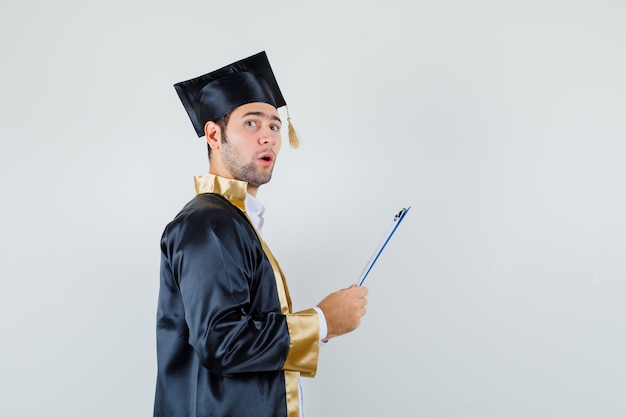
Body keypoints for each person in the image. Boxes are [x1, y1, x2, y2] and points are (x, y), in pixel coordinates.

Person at [154, 51, 369, 417]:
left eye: (274, 125)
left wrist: (318, 323)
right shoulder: (208, 223)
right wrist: (320, 320)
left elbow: (237, 329)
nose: (267, 137)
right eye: (251, 124)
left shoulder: (233, 220)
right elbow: (221, 342)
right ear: (213, 134)